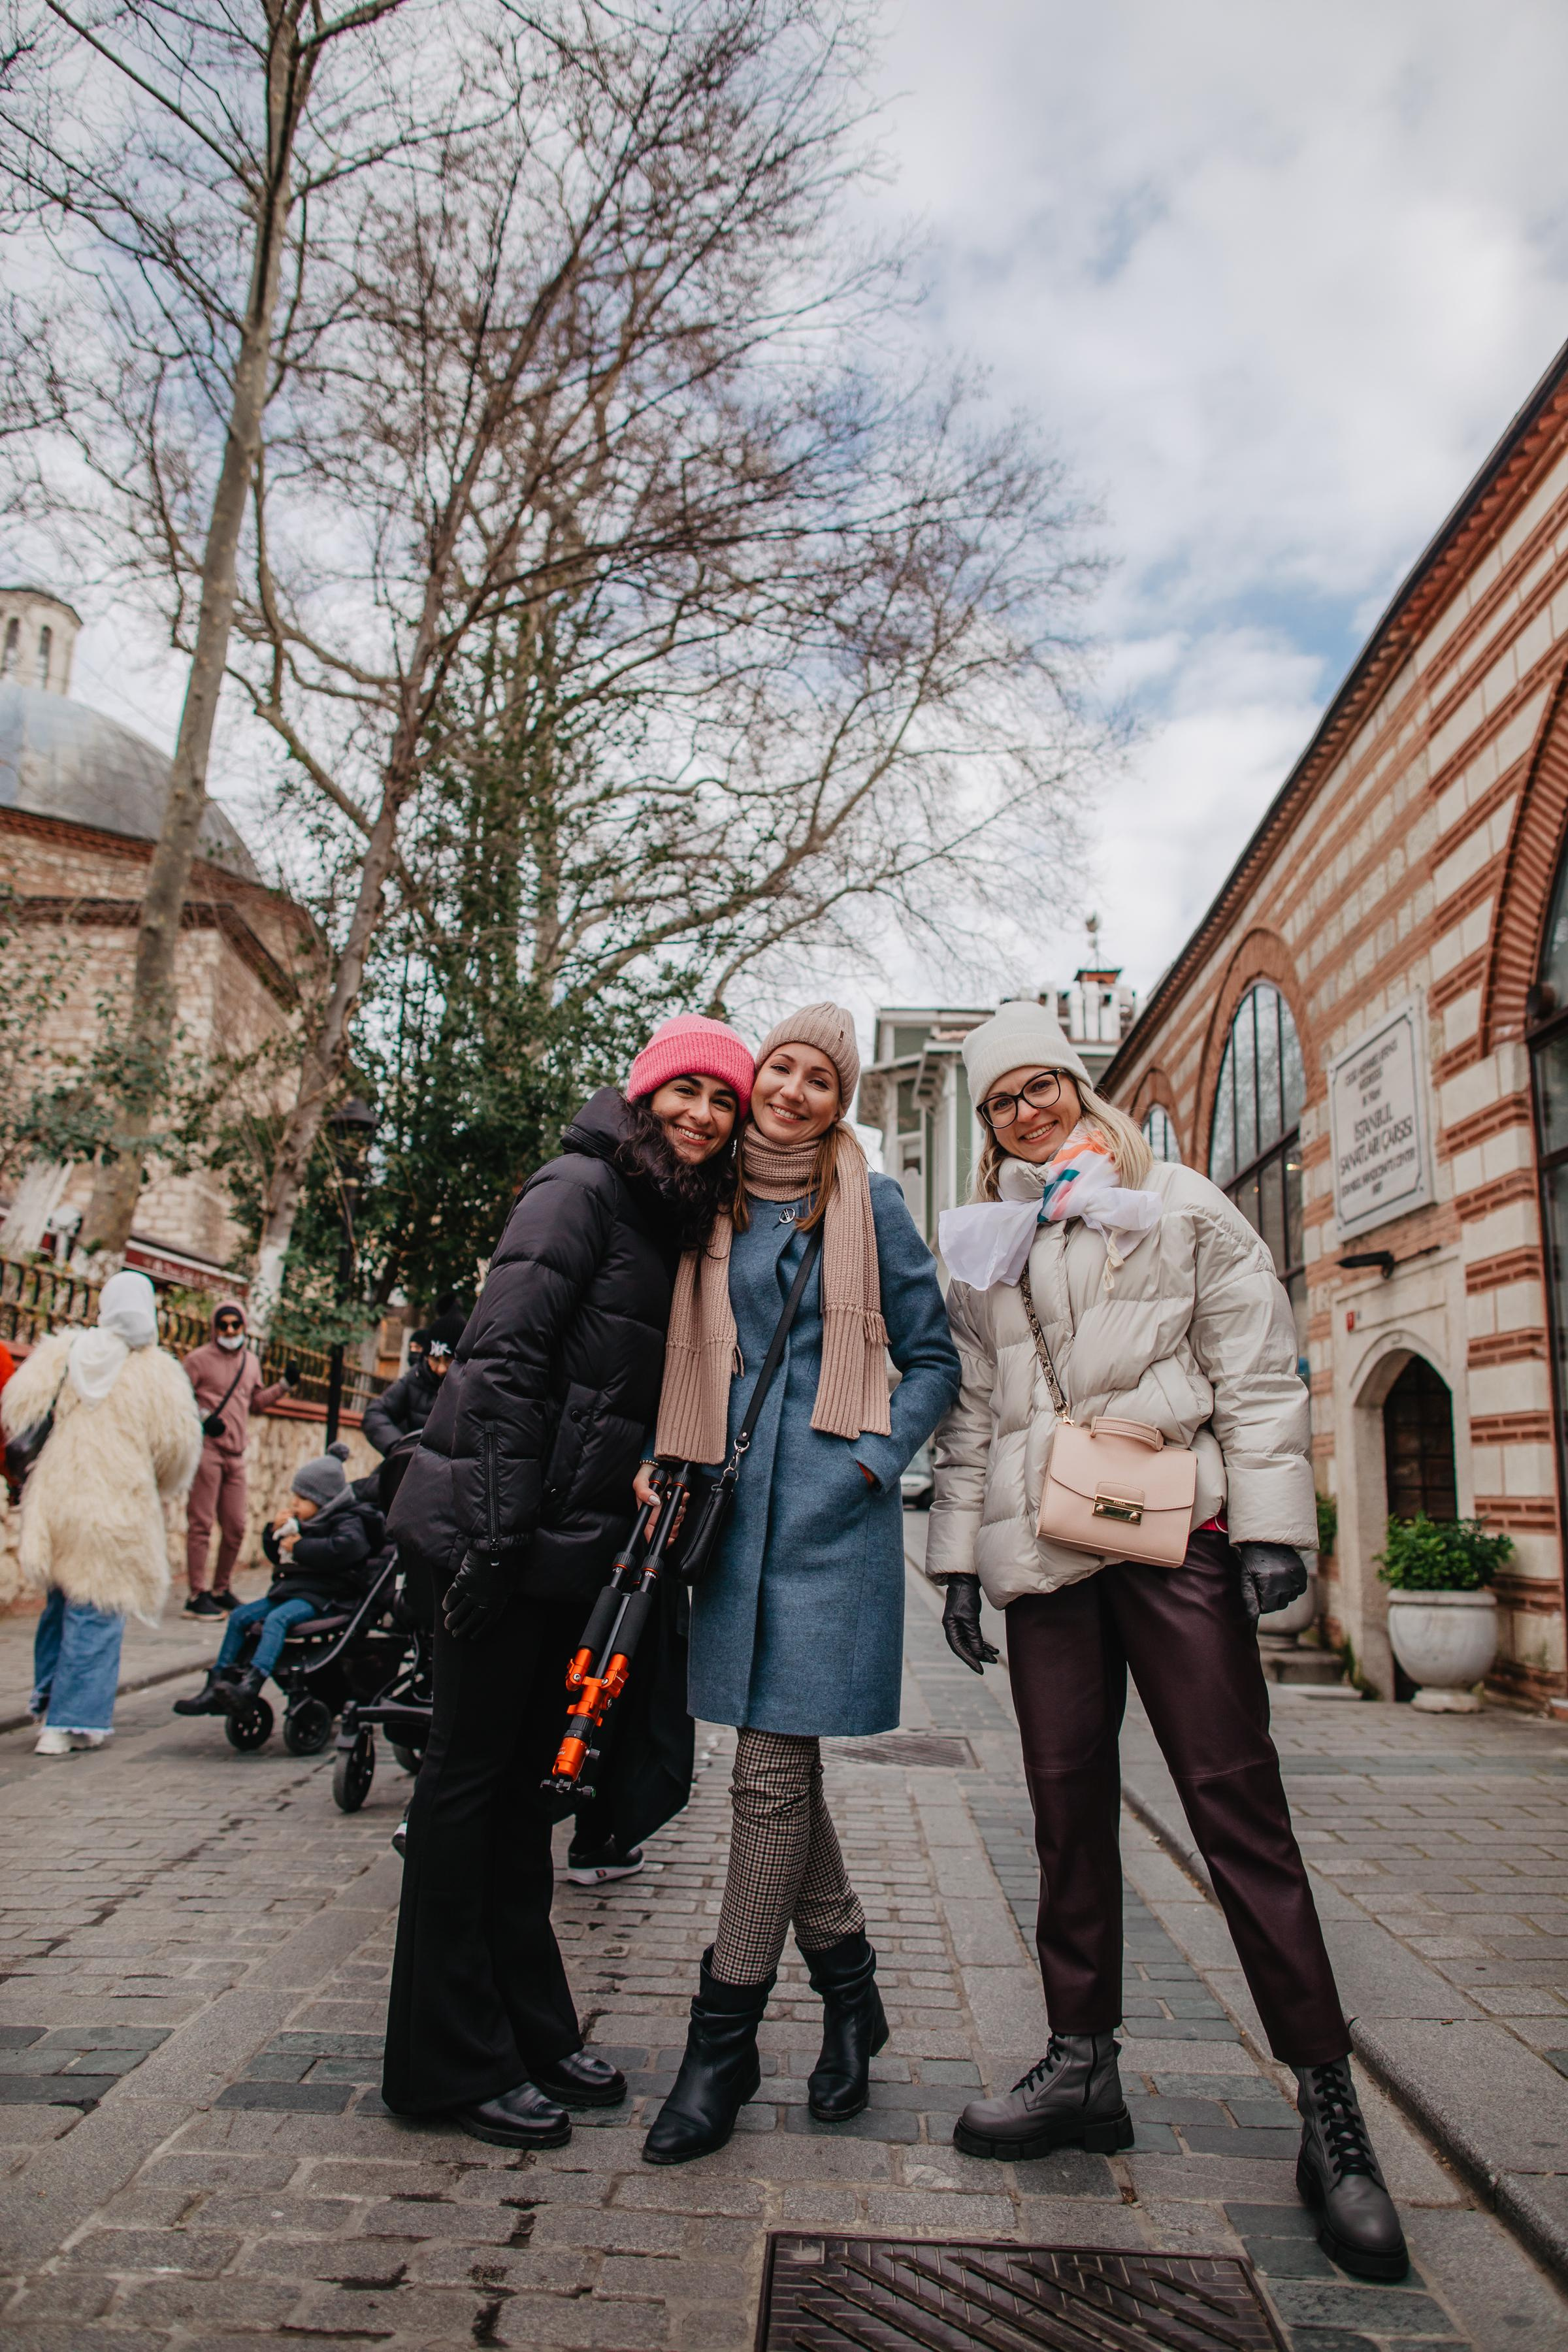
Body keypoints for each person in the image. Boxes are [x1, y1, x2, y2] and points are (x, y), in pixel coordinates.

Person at [925, 1000, 1407, 2284]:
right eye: (1003, 1101)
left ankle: (1329, 2111)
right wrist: (958, 1562)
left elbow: (1256, 1370)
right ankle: (1082, 2066)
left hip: (1171, 1528)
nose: (1029, 1112)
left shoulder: (1180, 1202)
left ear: (1083, 1089)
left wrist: (1270, 1527)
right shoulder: (983, 1243)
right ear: (986, 1125)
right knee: (1063, 1812)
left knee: (1237, 1808)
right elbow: (970, 1418)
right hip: (1045, 1555)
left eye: (1046, 1088)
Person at [380, 1014, 753, 2151]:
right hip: (492, 1543)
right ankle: (445, 2064)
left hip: (558, 1549)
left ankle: (529, 2028)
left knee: (516, 1806)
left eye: (720, 1102)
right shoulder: (579, 1189)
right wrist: (491, 1543)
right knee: (463, 1793)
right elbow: (502, 1368)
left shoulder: (658, 1212)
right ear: (644, 1097)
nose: (700, 1115)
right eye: (683, 1092)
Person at [640, 1005, 960, 2167]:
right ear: (755, 1071)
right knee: (780, 1777)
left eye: (820, 1078)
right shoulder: (712, 1196)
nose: (791, 1091)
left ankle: (720, 2042)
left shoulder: (867, 1204)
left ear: (842, 1099)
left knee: (767, 1778)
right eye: (780, 1066)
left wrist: (874, 1460)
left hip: (829, 1527)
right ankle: (851, 1986)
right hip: (727, 1523)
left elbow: (933, 1356)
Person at [2, 1271, 201, 1757]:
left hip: (56, 1500)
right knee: (100, 1608)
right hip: (115, 1505)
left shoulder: (64, 1352)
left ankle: (48, 1701)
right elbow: (177, 1451)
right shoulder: (156, 1371)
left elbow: (19, 1411)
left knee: (61, 1604)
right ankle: (72, 1722)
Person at [174, 1440, 385, 1715]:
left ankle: (253, 1683)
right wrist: (273, 1533)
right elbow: (279, 1557)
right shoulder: (305, 1523)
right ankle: (218, 1682)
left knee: (277, 1620)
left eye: (302, 1498)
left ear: (325, 1500)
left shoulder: (347, 1521)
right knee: (240, 1617)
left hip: (322, 1596)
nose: (294, 1503)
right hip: (290, 1591)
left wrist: (299, 1546)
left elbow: (346, 1548)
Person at [180, 1299, 298, 1617]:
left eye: (236, 1325)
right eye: (224, 1325)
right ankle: (197, 1594)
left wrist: (284, 1385)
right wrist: (203, 1416)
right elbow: (178, 1399)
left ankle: (221, 1588)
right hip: (208, 1449)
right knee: (201, 1524)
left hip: (236, 1453)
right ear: (214, 1327)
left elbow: (256, 1403)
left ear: (244, 1326)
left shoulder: (250, 1362)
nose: (230, 1330)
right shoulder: (198, 1360)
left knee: (236, 1526)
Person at [361, 1313, 461, 1456]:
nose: (441, 1369)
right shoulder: (414, 1378)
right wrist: (399, 1449)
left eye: (449, 1360)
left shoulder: (471, 1386)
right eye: (435, 1359)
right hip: (414, 1467)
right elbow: (375, 1414)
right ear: (426, 1356)